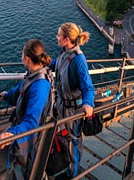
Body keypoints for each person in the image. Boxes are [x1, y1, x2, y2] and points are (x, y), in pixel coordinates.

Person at [0, 39, 53, 180]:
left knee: (32, 169)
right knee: (30, 168)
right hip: (24, 128)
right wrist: (5, 96)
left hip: (31, 134)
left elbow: (33, 121)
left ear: (27, 59)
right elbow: (18, 92)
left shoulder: (40, 86)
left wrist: (13, 133)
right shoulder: (33, 75)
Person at [51, 22, 95, 177]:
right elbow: (59, 65)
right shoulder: (65, 52)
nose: (56, 37)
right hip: (62, 106)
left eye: (59, 35)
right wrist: (46, 63)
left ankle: (73, 174)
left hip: (72, 111)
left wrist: (88, 104)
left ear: (67, 39)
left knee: (74, 142)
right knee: (65, 139)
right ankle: (66, 167)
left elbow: (88, 87)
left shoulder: (79, 60)